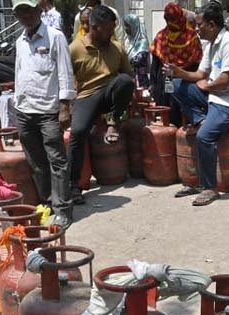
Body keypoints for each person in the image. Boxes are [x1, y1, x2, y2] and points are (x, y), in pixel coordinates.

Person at [168, 2, 229, 206]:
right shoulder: (211, 44)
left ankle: (209, 188)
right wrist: (178, 72)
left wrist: (207, 86)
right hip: (214, 95)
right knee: (177, 86)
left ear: (212, 25)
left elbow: (224, 81)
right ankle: (202, 119)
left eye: (200, 25)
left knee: (204, 137)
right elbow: (199, 74)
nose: (197, 28)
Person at [12, 0, 75, 229]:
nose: (25, 15)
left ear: (39, 10)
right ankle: (48, 201)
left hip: (48, 110)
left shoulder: (55, 37)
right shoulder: (20, 41)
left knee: (57, 161)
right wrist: (16, 102)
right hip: (24, 110)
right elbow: (19, 73)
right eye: (21, 12)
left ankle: (63, 210)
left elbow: (65, 72)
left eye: (29, 10)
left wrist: (65, 107)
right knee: (36, 161)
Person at [68, 6, 135, 204]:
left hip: (110, 94)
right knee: (78, 132)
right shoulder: (75, 48)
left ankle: (113, 122)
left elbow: (128, 76)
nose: (112, 33)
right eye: (108, 29)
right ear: (94, 27)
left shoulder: (117, 47)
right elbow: (65, 79)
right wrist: (66, 106)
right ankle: (73, 185)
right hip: (86, 96)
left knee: (125, 81)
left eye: (113, 28)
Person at [149, 3, 203, 126]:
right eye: (168, 19)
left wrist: (180, 72)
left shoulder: (191, 37)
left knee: (181, 112)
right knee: (165, 112)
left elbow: (196, 63)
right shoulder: (161, 36)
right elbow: (156, 62)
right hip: (164, 80)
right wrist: (153, 83)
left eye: (173, 19)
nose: (171, 23)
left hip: (185, 81)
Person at [123, 13, 150, 89]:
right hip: (127, 79)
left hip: (140, 80)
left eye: (127, 26)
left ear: (134, 25)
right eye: (124, 25)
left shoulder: (143, 42)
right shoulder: (126, 40)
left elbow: (138, 60)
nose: (125, 28)